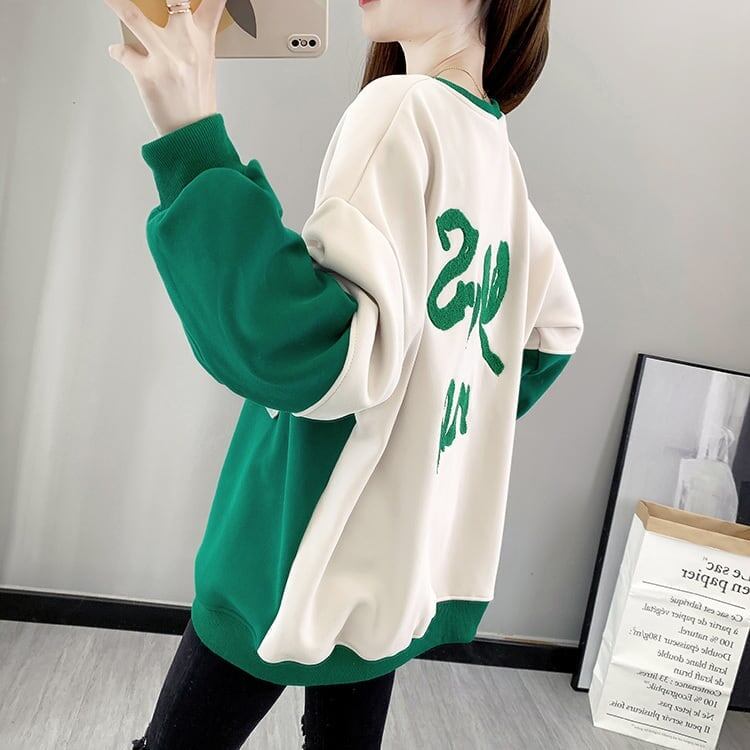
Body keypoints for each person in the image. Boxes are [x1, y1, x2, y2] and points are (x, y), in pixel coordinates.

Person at [104, 0, 583, 747]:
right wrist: (437, 429)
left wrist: (189, 135)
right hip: (392, 556)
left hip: (300, 539)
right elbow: (551, 332)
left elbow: (293, 346)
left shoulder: (400, 110)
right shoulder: (493, 148)